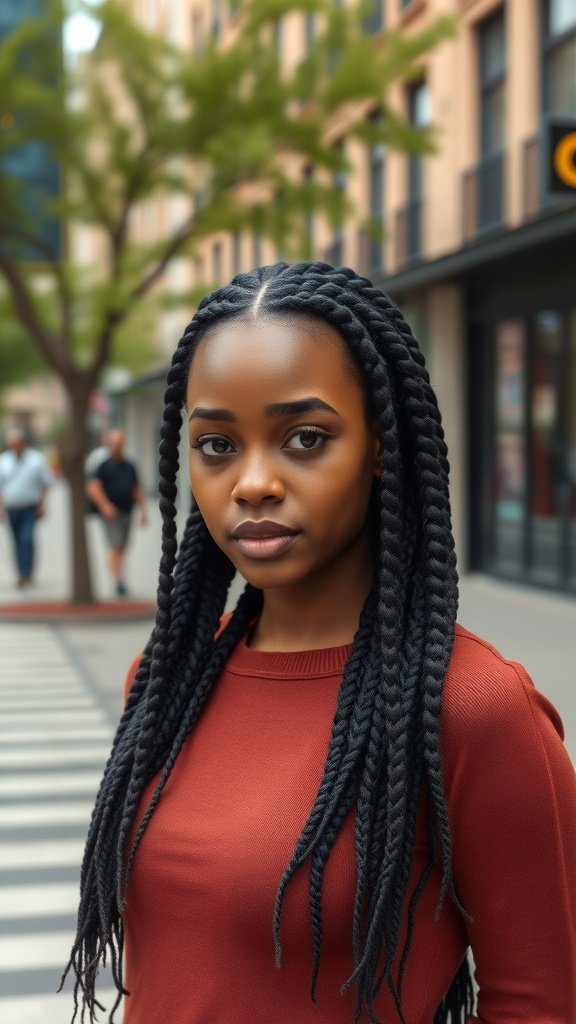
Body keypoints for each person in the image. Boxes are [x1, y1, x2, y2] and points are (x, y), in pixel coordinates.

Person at [64, 262, 576, 1024]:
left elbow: (543, 1004)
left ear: (379, 446)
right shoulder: (169, 675)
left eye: (305, 437)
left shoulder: (474, 709)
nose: (253, 482)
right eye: (216, 445)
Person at [86, 428, 147, 597]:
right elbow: (93, 487)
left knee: (123, 546)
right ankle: (117, 580)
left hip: (128, 511)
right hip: (111, 513)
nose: (117, 447)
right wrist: (104, 505)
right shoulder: (103, 466)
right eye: (114, 444)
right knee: (115, 544)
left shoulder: (129, 466)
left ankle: (118, 574)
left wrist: (143, 511)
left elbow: (136, 488)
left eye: (120, 444)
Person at [0, 426, 52, 588]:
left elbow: (45, 483)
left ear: (24, 443)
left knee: (27, 539)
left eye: (18, 442)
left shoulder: (36, 459)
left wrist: (43, 504)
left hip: (30, 506)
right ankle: (21, 573)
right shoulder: (4, 461)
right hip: (12, 507)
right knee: (16, 541)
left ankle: (27, 571)